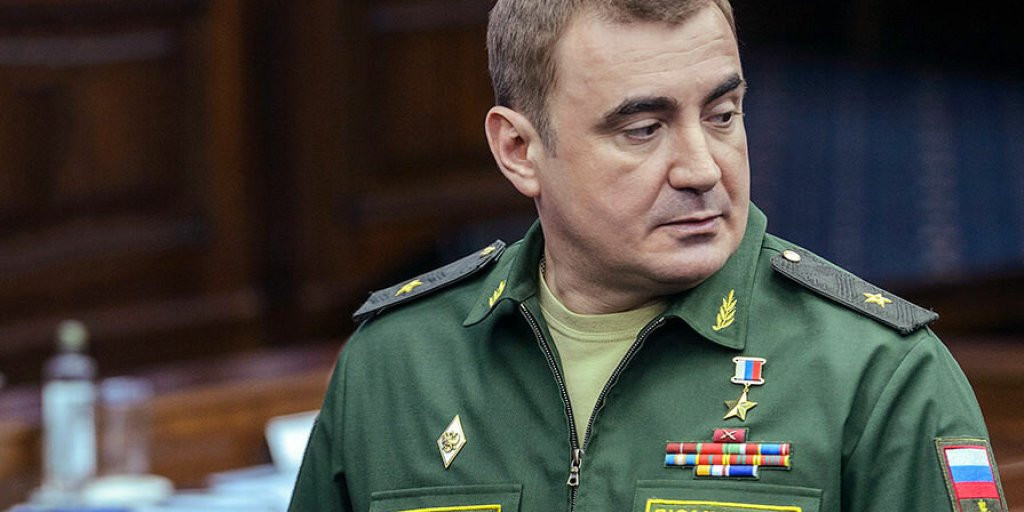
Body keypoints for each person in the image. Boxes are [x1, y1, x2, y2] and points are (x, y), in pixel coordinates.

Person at [289, 0, 1008, 510]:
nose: (702, 167)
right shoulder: (395, 366)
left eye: (722, 115)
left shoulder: (878, 375)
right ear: (519, 150)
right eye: (643, 129)